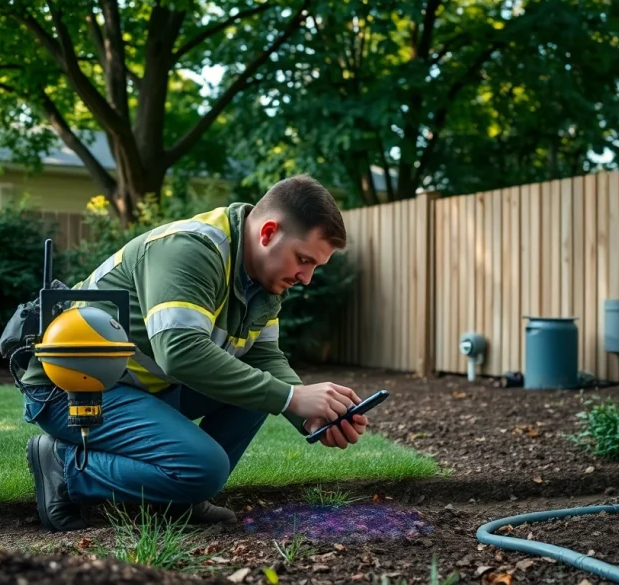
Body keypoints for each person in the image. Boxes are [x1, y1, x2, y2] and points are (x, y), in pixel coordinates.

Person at [20, 174, 368, 532]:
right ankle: (65, 467)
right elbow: (180, 352)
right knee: (205, 469)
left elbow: (263, 358)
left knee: (256, 396)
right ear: (268, 233)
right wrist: (292, 397)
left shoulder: (263, 280)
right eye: (303, 259)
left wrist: (309, 416)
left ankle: (177, 501)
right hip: (71, 391)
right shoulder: (192, 249)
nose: (306, 277)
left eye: (314, 266)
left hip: (136, 388)